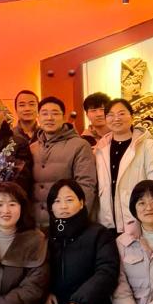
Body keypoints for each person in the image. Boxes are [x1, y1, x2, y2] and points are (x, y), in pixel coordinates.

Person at [25, 181, 119, 304]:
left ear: (82, 202)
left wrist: (79, 301)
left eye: (69, 200)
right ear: (50, 207)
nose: (63, 206)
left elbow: (107, 272)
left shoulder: (98, 234)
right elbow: (36, 272)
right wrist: (45, 293)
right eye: (57, 201)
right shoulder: (44, 236)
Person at [93, 98, 153, 231]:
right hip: (107, 224)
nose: (116, 118)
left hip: (140, 221)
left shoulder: (148, 146)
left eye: (121, 113)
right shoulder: (100, 149)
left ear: (132, 117)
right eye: (110, 115)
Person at [30, 96, 97, 228]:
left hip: (66, 221)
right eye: (44, 114)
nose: (50, 118)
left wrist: (78, 220)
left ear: (64, 117)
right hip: (36, 222)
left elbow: (86, 185)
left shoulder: (80, 145)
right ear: (38, 118)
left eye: (55, 113)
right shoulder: (32, 148)